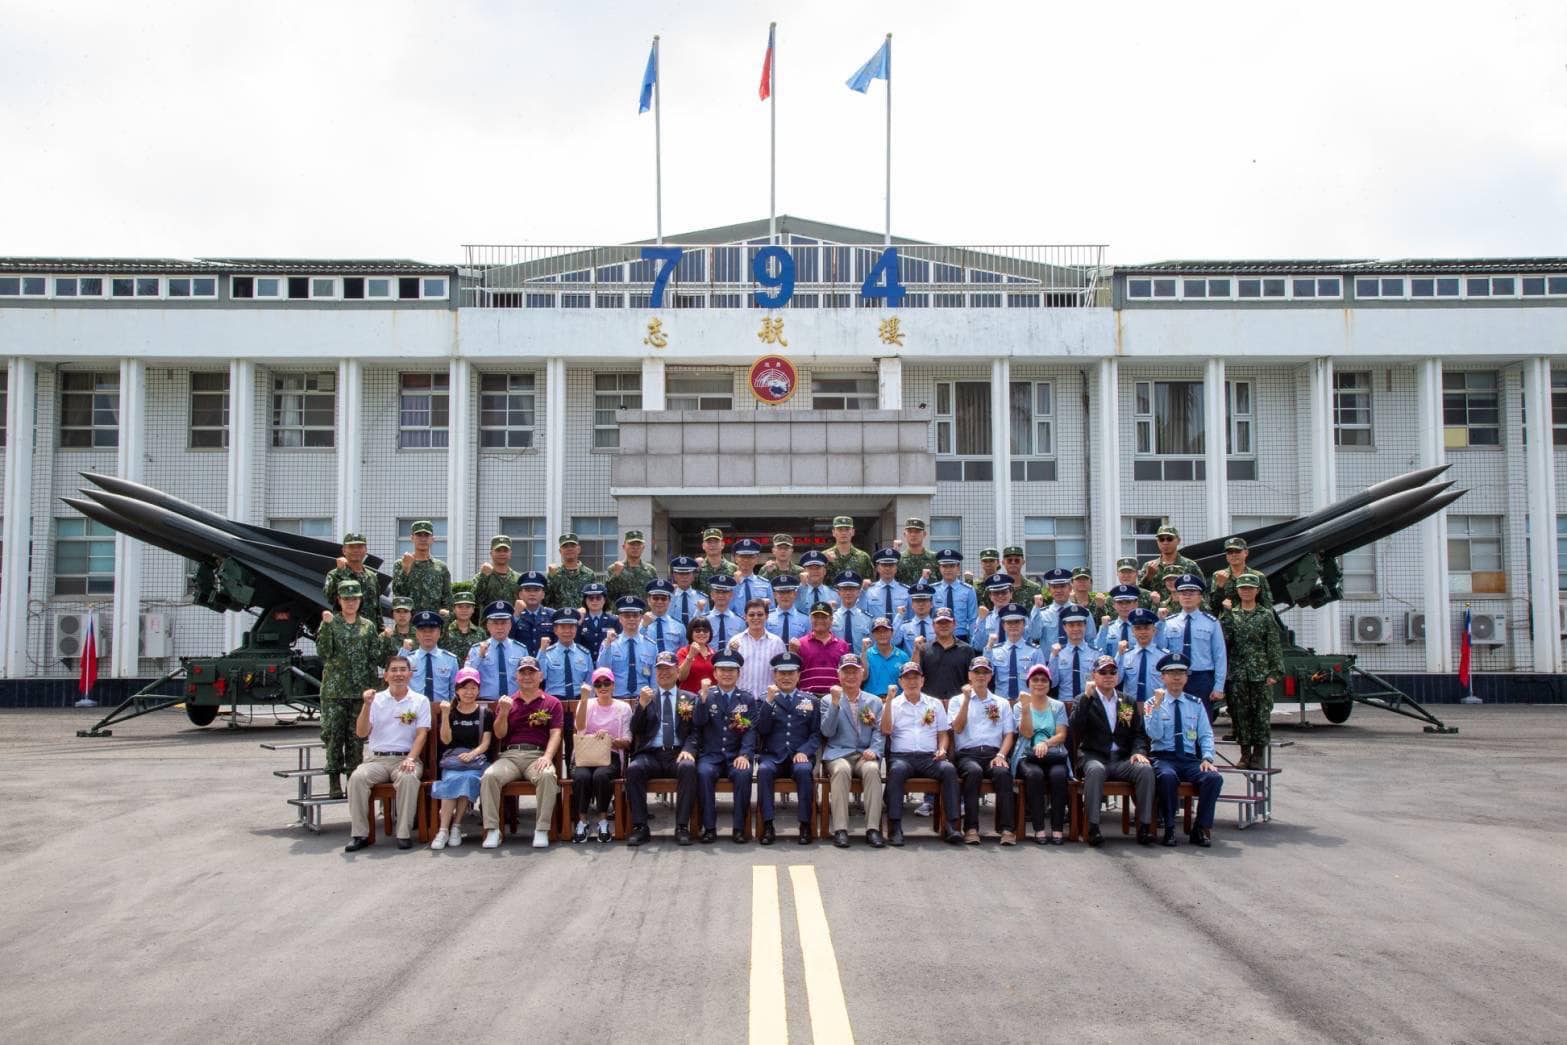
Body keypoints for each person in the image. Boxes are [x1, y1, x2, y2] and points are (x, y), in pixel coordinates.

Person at [344, 654, 431, 851]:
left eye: (402, 670)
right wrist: (366, 705)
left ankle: (404, 833)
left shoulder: (420, 700)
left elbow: (421, 735)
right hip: (377, 759)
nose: (398, 674)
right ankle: (360, 834)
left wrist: (411, 758)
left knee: (408, 778)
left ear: (410, 674)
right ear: (385, 675)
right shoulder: (375, 700)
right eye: (394, 670)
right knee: (357, 778)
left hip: (405, 757)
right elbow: (361, 732)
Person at [1070, 653, 1155, 847]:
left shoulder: (1127, 701)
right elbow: (1075, 727)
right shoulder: (1083, 699)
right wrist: (1086, 698)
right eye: (1103, 672)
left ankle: (1144, 826)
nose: (1108, 676)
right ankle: (1092, 827)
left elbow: (1139, 734)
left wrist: (1138, 752)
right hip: (1094, 756)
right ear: (1094, 675)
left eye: (1112, 672)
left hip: (1122, 758)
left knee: (1145, 770)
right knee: (1096, 770)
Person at [480, 657, 564, 850]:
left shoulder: (552, 702)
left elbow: (556, 734)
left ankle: (542, 829)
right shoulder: (508, 701)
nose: (527, 677)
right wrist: (503, 713)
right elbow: (499, 734)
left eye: (531, 673)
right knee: (489, 776)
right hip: (511, 755)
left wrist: (547, 757)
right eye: (523, 673)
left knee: (547, 776)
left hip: (537, 754)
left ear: (540, 676)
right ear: (516, 676)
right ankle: (492, 829)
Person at [1144, 652, 1225, 847]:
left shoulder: (1195, 704)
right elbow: (1154, 735)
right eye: (1171, 673)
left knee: (1213, 778)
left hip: (1189, 759)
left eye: (1181, 673)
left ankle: (1200, 828)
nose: (1177, 677)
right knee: (1168, 776)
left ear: (1187, 677)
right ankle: (1170, 828)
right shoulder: (1151, 703)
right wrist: (1156, 708)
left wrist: (1207, 757)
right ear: (1162, 677)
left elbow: (1205, 734)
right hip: (1164, 757)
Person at [880, 661, 963, 846]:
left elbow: (943, 733)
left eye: (915, 677)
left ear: (922, 680)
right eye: (907, 678)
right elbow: (885, 730)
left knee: (949, 770)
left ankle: (952, 825)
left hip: (929, 757)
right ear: (900, 682)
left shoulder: (934, 704)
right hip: (902, 757)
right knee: (897, 771)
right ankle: (895, 827)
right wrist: (888, 702)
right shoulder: (893, 704)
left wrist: (942, 749)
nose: (912, 682)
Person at [624, 651, 699, 846]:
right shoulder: (647, 697)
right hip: (652, 753)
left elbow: (696, 730)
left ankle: (682, 826)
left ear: (677, 670)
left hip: (678, 752)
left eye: (668, 668)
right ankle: (640, 826)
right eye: (660, 669)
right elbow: (635, 730)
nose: (664, 673)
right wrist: (641, 705)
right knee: (634, 769)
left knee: (688, 768)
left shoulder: (689, 698)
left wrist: (689, 749)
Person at [316, 580, 380, 798]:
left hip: (360, 693)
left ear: (360, 600)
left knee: (356, 739)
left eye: (354, 599)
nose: (350, 602)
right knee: (334, 736)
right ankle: (334, 781)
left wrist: (374, 690)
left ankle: (354, 781)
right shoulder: (331, 623)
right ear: (339, 600)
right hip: (335, 691)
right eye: (346, 599)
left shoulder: (368, 626)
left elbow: (374, 658)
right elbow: (323, 653)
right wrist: (325, 626)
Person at [753, 652, 822, 845]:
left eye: (791, 673)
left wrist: (805, 751)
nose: (786, 678)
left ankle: (804, 824)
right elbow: (762, 729)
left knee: (804, 771)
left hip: (799, 755)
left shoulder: (810, 700)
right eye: (781, 673)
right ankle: (767, 824)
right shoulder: (764, 699)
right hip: (772, 756)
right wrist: (768, 701)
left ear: (799, 675)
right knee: (764, 771)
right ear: (774, 675)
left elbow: (816, 734)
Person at [949, 659, 1017, 845]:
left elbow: (1009, 734)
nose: (980, 676)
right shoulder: (957, 700)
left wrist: (1001, 755)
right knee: (973, 772)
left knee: (1003, 774)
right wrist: (965, 700)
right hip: (967, 754)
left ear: (990, 676)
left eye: (984, 672)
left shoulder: (1001, 703)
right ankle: (971, 828)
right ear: (969, 675)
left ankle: (1007, 829)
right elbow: (958, 728)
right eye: (976, 672)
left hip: (994, 753)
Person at [820, 654, 886, 848]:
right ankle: (841, 829)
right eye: (846, 671)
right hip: (838, 753)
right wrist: (834, 703)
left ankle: (873, 829)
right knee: (841, 771)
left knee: (873, 770)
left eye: (854, 671)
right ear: (838, 674)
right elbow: (827, 731)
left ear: (862, 673)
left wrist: (874, 749)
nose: (850, 676)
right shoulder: (827, 700)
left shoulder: (874, 701)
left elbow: (879, 731)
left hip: (864, 753)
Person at [691, 650, 758, 843]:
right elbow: (698, 722)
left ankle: (739, 828)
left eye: (731, 670)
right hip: (711, 755)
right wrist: (702, 700)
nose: (727, 674)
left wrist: (745, 755)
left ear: (739, 673)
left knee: (744, 773)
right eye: (722, 669)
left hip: (735, 755)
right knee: (703, 773)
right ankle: (709, 827)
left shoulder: (746, 699)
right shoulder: (706, 695)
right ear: (715, 673)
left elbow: (750, 730)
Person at [1220, 571, 1284, 768]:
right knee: (1240, 715)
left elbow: (1273, 645)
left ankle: (1258, 754)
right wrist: (1227, 613)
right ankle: (1244, 753)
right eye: (1242, 588)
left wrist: (1275, 672)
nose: (1246, 591)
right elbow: (1225, 640)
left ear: (1257, 590)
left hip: (1260, 673)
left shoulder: (1265, 615)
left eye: (1250, 588)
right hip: (1238, 673)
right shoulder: (1231, 614)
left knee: (1261, 714)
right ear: (1237, 591)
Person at [430, 667, 491, 851]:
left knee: (468, 779)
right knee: (452, 780)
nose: (469, 692)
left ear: (479, 690)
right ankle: (443, 830)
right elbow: (446, 740)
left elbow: (485, 742)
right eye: (465, 687)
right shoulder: (450, 712)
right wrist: (446, 715)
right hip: (453, 760)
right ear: (456, 689)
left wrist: (472, 754)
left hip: (475, 761)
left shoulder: (485, 713)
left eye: (473, 687)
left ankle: (456, 826)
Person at [570, 668, 632, 844]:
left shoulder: (623, 708)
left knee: (601, 775)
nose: (602, 687)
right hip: (585, 753)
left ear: (613, 685)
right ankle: (582, 821)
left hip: (609, 754)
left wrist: (609, 739)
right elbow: (580, 728)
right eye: (598, 683)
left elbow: (627, 741)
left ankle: (603, 819)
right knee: (581, 776)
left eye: (606, 683)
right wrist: (583, 699)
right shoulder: (588, 704)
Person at [1013, 663, 1069, 845]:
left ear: (1049, 683)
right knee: (1034, 775)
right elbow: (1027, 733)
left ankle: (1058, 828)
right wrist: (1026, 708)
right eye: (1035, 680)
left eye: (1044, 680)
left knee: (1059, 775)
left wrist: (1045, 743)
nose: (1039, 683)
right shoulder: (1020, 706)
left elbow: (1061, 734)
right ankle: (1038, 828)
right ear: (1028, 683)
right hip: (1027, 755)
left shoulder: (1057, 706)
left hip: (1053, 754)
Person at [1161, 574, 1228, 722]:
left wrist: (1218, 686)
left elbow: (1220, 656)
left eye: (1192, 593)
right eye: (1183, 593)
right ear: (1177, 596)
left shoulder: (1211, 623)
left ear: (1200, 597)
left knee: (1201, 723)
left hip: (1201, 679)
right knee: (1174, 720)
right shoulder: (1169, 623)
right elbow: (1162, 655)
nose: (1187, 597)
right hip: (1174, 677)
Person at [464, 602, 530, 700]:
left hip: (515, 702)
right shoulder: (477, 649)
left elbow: (528, 676)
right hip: (485, 702)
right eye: (495, 623)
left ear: (510, 625)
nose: (500, 627)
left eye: (503, 623)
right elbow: (466, 676)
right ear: (488, 626)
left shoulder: (521, 649)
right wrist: (480, 656)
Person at [596, 596, 658, 698]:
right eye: (627, 616)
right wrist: (608, 644)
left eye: (635, 615)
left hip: (643, 698)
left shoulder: (650, 645)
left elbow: (654, 676)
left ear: (641, 618)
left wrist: (654, 698)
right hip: (617, 698)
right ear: (620, 619)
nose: (631, 619)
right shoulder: (611, 643)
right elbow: (602, 669)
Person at [391, 519, 452, 614]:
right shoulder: (401, 563)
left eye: (426, 535)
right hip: (409, 622)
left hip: (434, 622)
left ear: (432, 539)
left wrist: (446, 616)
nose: (423, 539)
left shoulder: (441, 567)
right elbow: (398, 593)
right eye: (419, 535)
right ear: (412, 538)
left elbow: (447, 598)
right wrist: (406, 568)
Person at [986, 604, 1044, 701]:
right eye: (1009, 623)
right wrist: (988, 648)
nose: (1013, 626)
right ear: (1004, 626)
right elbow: (987, 674)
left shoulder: (1034, 651)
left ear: (1024, 624)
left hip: (1027, 702)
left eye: (1017, 622)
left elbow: (1042, 679)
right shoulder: (995, 650)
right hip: (1001, 702)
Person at [730, 599, 786, 697]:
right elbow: (728, 672)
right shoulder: (735, 642)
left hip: (768, 699)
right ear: (745, 617)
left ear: (767, 616)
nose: (756, 618)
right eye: (751, 615)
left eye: (760, 614)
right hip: (741, 700)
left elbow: (783, 673)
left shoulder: (777, 642)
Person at [324, 532, 384, 623]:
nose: (356, 550)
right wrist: (341, 572)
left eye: (359, 546)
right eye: (351, 547)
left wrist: (381, 630)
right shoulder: (334, 574)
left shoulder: (371, 577)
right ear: (344, 550)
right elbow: (329, 597)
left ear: (366, 550)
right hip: (345, 632)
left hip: (369, 632)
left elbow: (377, 608)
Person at [920, 607, 977, 702]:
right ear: (933, 625)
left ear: (954, 624)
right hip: (930, 706)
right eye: (939, 623)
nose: (944, 626)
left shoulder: (967, 650)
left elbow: (972, 679)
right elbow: (917, 677)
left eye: (947, 622)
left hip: (958, 705)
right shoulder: (924, 649)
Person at [406, 610, 459, 706]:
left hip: (441, 710)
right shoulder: (408, 659)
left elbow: (454, 691)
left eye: (431, 631)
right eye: (423, 631)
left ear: (439, 633)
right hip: (413, 711)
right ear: (417, 634)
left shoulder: (450, 660)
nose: (427, 634)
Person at [1050, 605, 1098, 709]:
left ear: (1085, 626)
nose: (1076, 629)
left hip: (1090, 703)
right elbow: (1053, 683)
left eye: (1079, 624)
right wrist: (1053, 657)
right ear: (1064, 627)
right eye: (1071, 625)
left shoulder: (1096, 653)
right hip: (1065, 705)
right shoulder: (1058, 653)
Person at [1118, 608, 1170, 706]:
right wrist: (1119, 655)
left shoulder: (1164, 656)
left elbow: (1169, 685)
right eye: (1138, 628)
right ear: (1133, 631)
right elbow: (1117, 680)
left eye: (1146, 628)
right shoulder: (1125, 655)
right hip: (1129, 707)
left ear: (1154, 630)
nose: (1142, 632)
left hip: (1157, 706)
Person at [539, 608, 594, 698]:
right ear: (555, 630)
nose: (567, 631)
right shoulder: (547, 653)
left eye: (571, 627)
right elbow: (540, 677)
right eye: (563, 627)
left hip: (579, 701)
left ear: (576, 629)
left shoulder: (585, 654)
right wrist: (542, 651)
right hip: (554, 701)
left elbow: (590, 682)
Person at [796, 604, 850, 694]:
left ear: (832, 619)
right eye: (816, 617)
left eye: (824, 617)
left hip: (834, 697)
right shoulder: (800, 644)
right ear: (810, 619)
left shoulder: (842, 645)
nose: (820, 621)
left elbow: (847, 673)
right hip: (807, 698)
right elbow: (795, 673)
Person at [1210, 537, 1272, 612]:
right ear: (1226, 555)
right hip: (1227, 620)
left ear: (1246, 553)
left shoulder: (1258, 576)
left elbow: (1267, 605)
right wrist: (1220, 587)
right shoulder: (1218, 575)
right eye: (1230, 552)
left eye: (1237, 551)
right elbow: (1213, 606)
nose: (1234, 555)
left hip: (1251, 621)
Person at [1097, 584, 1161, 654]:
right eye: (1120, 602)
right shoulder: (1107, 628)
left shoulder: (1144, 629)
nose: (1124, 606)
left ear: (1136, 604)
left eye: (1128, 602)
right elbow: (1099, 651)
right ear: (1114, 605)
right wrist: (1104, 628)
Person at [931, 549, 978, 642]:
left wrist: (973, 641)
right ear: (939, 568)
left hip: (961, 637)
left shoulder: (968, 590)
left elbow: (973, 618)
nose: (948, 570)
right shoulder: (933, 590)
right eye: (944, 566)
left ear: (958, 567)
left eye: (952, 566)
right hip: (937, 637)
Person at [1139, 524, 1203, 592]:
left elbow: (1202, 591)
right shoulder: (1149, 566)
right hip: (1157, 602)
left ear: (1178, 541)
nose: (1165, 543)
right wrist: (1148, 577)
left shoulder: (1190, 566)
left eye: (1169, 539)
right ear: (1157, 542)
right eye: (1161, 539)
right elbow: (1139, 594)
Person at [546, 532, 601, 609]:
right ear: (560, 551)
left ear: (578, 549)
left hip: (583, 618)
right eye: (565, 546)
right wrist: (552, 577)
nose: (569, 549)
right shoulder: (555, 573)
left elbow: (595, 599)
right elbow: (546, 600)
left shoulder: (589, 574)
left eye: (572, 546)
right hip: (561, 618)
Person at [606, 529, 660, 602]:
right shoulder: (613, 568)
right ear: (624, 546)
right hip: (621, 612)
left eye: (638, 544)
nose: (635, 547)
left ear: (643, 547)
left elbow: (656, 594)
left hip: (643, 612)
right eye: (631, 544)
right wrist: (616, 575)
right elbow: (608, 595)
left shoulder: (650, 570)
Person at [863, 617, 910, 697]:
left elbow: (908, 681)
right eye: (878, 631)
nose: (882, 634)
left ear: (892, 632)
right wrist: (863, 651)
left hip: (896, 703)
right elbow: (863, 677)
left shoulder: (903, 656)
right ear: (873, 634)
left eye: (885, 631)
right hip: (872, 702)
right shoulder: (866, 654)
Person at [1027, 569, 1075, 647]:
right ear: (1049, 590)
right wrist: (1036, 608)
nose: (1058, 590)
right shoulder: (1042, 613)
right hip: (1048, 658)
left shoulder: (1082, 613)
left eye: (1062, 586)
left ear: (1070, 588)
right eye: (1054, 587)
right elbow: (1034, 635)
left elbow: (1090, 641)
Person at [472, 534, 523, 608]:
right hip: (488, 619)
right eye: (498, 550)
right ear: (491, 553)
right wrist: (483, 577)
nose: (502, 554)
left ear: (510, 553)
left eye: (505, 551)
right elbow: (474, 601)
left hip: (511, 619)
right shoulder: (480, 577)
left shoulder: (518, 578)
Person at [508, 572, 552, 655]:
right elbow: (507, 639)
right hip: (520, 664)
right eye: (528, 590)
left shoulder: (551, 615)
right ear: (520, 594)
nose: (532, 594)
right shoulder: (512, 615)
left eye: (536, 590)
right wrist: (516, 615)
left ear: (543, 595)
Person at [865, 548, 911, 625]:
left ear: (896, 568)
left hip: (900, 635)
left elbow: (911, 617)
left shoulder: (906, 591)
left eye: (891, 565)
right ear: (877, 568)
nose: (887, 568)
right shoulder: (869, 591)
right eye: (884, 565)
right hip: (877, 634)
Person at [822, 515, 874, 580]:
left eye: (847, 529)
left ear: (853, 532)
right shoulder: (824, 556)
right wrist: (825, 563)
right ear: (833, 532)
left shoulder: (863, 557)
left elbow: (870, 582)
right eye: (840, 530)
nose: (844, 533)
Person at [643, 580, 687, 655]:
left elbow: (683, 652)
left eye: (663, 598)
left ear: (669, 601)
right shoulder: (639, 625)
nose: (659, 602)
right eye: (655, 598)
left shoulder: (679, 626)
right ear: (649, 600)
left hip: (672, 665)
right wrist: (644, 627)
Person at [830, 572, 872, 651]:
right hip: (837, 661)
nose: (848, 593)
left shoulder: (867, 618)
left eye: (852, 589)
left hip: (860, 661)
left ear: (858, 592)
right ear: (838, 592)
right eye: (844, 589)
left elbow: (872, 646)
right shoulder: (831, 618)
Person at [702, 575, 746, 649]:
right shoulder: (703, 620)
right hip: (708, 659)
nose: (721, 595)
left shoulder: (740, 621)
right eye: (717, 592)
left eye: (725, 592)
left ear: (731, 595)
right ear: (712, 595)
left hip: (731, 659)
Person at [765, 574, 810, 646]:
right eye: (781, 593)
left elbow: (808, 644)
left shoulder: (805, 619)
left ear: (795, 594)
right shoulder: (767, 618)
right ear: (775, 595)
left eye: (789, 592)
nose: (785, 596)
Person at [441, 587, 483, 663]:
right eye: (460, 607)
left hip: (473, 673)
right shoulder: (444, 631)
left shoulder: (480, 633)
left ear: (473, 609)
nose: (464, 610)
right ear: (454, 609)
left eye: (468, 607)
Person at [893, 517, 940, 586]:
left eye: (917, 532)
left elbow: (942, 584)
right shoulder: (898, 559)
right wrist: (894, 553)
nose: (913, 534)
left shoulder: (935, 558)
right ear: (904, 534)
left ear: (924, 534)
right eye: (910, 531)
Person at [973, 573, 1015, 648]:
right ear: (990, 596)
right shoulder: (985, 618)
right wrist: (981, 620)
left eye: (1004, 592)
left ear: (1011, 594)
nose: (1000, 596)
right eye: (996, 593)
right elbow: (978, 646)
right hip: (991, 658)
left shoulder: (1020, 618)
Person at [729, 538, 775, 608]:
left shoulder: (765, 584)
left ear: (757, 559)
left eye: (750, 557)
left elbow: (771, 611)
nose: (746, 560)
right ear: (736, 559)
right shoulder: (729, 585)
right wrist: (735, 586)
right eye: (742, 556)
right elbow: (725, 609)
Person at [676, 616, 716, 688]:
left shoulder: (714, 653)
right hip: (689, 697)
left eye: (705, 630)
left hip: (710, 697)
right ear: (691, 632)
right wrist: (690, 657)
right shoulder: (683, 652)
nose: (701, 633)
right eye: (697, 630)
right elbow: (681, 677)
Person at [667, 556, 708, 627]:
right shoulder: (667, 597)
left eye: (688, 573)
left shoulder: (702, 598)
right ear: (674, 576)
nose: (684, 577)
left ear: (693, 576)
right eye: (681, 574)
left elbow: (706, 623)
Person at [577, 582, 615, 659]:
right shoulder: (580, 620)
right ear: (585, 601)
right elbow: (575, 643)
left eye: (598, 598)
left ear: (604, 600)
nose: (595, 601)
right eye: (591, 598)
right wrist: (578, 623)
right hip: (584, 664)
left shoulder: (614, 620)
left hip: (607, 666)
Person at [695, 527, 737, 594]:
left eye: (716, 542)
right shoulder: (697, 568)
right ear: (703, 546)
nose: (713, 545)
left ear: (722, 545)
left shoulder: (734, 569)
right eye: (709, 542)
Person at [376, 597, 416, 664]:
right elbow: (381, 663)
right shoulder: (384, 636)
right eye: (398, 611)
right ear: (392, 614)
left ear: (411, 614)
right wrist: (387, 640)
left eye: (406, 611)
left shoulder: (420, 635)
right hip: (395, 674)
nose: (402, 615)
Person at [898, 584, 939, 649]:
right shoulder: (904, 627)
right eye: (917, 601)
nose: (921, 604)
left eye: (924, 600)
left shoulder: (938, 626)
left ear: (931, 604)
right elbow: (893, 642)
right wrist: (899, 617)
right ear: (912, 605)